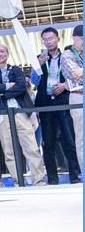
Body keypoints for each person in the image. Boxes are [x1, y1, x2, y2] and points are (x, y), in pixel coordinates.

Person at [0, 43, 46, 186]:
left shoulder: (16, 69)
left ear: (7, 53)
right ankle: (18, 181)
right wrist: (9, 85)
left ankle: (39, 180)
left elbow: (21, 87)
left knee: (31, 147)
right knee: (9, 150)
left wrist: (3, 93)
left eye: (2, 51)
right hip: (2, 114)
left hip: (20, 112)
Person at [35, 27, 81, 184]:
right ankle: (52, 179)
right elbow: (34, 81)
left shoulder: (68, 57)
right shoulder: (39, 59)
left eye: (51, 38)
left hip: (64, 102)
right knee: (48, 143)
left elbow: (76, 78)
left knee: (69, 140)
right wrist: (37, 66)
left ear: (58, 39)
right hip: (45, 104)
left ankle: (75, 176)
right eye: (45, 39)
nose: (48, 42)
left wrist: (65, 85)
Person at [63, 24, 83, 173]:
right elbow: (75, 75)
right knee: (82, 137)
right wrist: (80, 72)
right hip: (79, 96)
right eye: (81, 38)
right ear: (74, 38)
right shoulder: (67, 54)